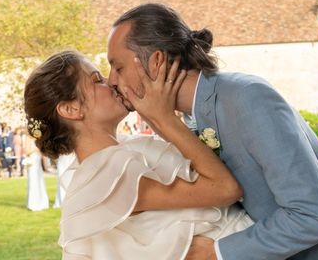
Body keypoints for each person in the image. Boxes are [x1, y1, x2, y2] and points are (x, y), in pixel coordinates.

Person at [107, 3, 318, 260]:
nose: (111, 81)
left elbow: (314, 216)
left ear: (156, 61)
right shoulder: (188, 120)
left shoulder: (247, 98)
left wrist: (216, 252)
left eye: (117, 67)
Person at [24, 50, 250, 259]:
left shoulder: (124, 152)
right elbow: (226, 189)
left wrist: (155, 113)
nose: (112, 82)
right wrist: (163, 117)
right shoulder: (109, 176)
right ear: (71, 109)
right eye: (96, 80)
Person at [22, 133, 49, 211]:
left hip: (37, 162)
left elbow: (43, 152)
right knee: (33, 182)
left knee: (39, 181)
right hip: (32, 162)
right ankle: (33, 203)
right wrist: (35, 149)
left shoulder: (39, 138)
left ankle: (42, 202)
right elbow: (26, 151)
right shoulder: (28, 138)